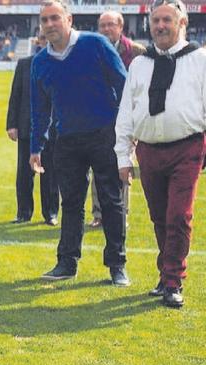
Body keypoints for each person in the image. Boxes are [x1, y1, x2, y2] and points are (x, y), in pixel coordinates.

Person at [30, 0, 129, 286]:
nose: (49, 25)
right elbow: (39, 109)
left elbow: (123, 85)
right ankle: (67, 262)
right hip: (67, 140)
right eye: (44, 20)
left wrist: (124, 132)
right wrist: (35, 147)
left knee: (111, 200)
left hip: (103, 135)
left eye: (54, 18)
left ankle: (117, 264)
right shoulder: (40, 62)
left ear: (69, 19)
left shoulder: (96, 44)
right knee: (71, 203)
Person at [115, 0, 205, 307]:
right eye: (156, 21)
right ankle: (166, 274)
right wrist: (123, 157)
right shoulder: (139, 63)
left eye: (168, 20)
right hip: (149, 151)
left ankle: (172, 280)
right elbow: (126, 111)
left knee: (179, 215)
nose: (161, 26)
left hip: (187, 148)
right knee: (159, 217)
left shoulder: (200, 59)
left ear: (182, 24)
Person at [89, 10, 146, 228]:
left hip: (127, 119)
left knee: (123, 165)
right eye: (102, 25)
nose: (105, 29)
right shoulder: (92, 51)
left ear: (121, 27)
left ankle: (122, 213)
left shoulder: (136, 51)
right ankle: (99, 214)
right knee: (98, 167)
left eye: (110, 24)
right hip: (99, 119)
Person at [6, 30, 59, 225]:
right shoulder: (24, 64)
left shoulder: (61, 63)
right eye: (42, 38)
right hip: (27, 127)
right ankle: (23, 213)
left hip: (54, 129)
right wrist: (11, 124)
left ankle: (51, 213)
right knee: (24, 173)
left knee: (51, 174)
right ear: (38, 41)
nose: (45, 42)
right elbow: (15, 96)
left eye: (48, 38)